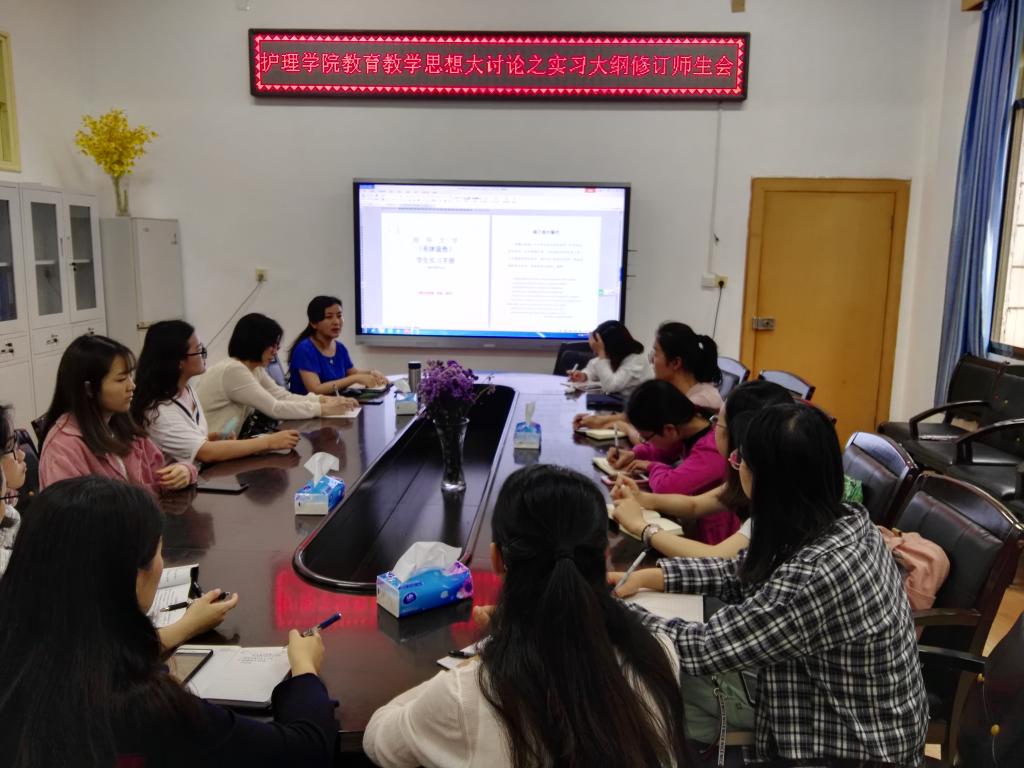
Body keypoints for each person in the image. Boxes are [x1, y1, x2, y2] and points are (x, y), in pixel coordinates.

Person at [613, 404, 928, 765]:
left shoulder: (817, 573)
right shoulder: (839, 520)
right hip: (823, 713)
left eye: (740, 460)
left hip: (849, 750)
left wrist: (615, 613)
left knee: (656, 698)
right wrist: (659, 576)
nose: (735, 465)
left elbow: (705, 648)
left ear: (765, 478)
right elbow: (744, 572)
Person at [363, 464, 688, 768]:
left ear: (497, 558)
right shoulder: (659, 654)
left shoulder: (469, 693)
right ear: (605, 556)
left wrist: (469, 667)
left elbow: (379, 739)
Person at [0, 476, 335, 767]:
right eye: (159, 551)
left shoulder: (23, 666)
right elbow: (306, 750)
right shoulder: (146, 708)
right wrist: (304, 670)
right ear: (132, 577)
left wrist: (183, 627)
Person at [611, 380, 793, 558]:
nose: (713, 428)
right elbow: (695, 505)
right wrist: (640, 497)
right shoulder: (754, 477)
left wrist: (641, 527)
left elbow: (716, 557)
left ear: (738, 438)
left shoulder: (772, 503)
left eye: (718, 422)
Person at [38, 335, 197, 493]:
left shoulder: (122, 427)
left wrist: (185, 471)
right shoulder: (63, 447)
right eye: (121, 380)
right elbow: (72, 508)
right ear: (89, 389)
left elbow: (160, 475)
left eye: (130, 376)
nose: (132, 386)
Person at [132, 320, 301, 465]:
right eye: (199, 349)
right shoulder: (161, 411)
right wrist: (269, 442)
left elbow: (196, 444)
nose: (204, 354)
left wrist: (210, 438)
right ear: (178, 361)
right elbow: (206, 453)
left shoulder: (186, 390)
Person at [608, 379, 733, 544]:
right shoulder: (692, 421)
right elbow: (666, 449)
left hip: (716, 537)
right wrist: (635, 454)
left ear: (669, 429)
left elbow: (666, 487)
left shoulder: (712, 448)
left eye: (646, 438)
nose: (646, 442)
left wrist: (652, 466)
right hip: (695, 523)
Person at [194, 313, 357, 437]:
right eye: (272, 345)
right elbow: (275, 408)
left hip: (226, 443)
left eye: (277, 346)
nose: (275, 352)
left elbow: (283, 396)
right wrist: (323, 409)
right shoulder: (234, 370)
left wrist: (324, 400)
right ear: (256, 343)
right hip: (212, 450)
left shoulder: (254, 369)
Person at [575, 322, 722, 432]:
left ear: (675, 363)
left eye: (656, 353)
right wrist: (599, 419)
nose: (651, 360)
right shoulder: (671, 391)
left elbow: (655, 443)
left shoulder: (700, 403)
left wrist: (616, 425)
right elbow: (640, 415)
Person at [287, 296, 387, 396]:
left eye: (339, 316)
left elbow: (352, 373)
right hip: (309, 405)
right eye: (329, 317)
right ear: (314, 323)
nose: (336, 322)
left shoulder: (340, 348)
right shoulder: (305, 349)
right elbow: (315, 389)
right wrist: (354, 379)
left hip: (335, 403)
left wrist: (371, 373)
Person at [566, 319, 651, 397]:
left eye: (598, 350)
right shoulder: (615, 357)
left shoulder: (637, 361)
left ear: (612, 347)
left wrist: (601, 353)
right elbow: (593, 368)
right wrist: (584, 376)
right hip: (620, 404)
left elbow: (610, 387)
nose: (594, 353)